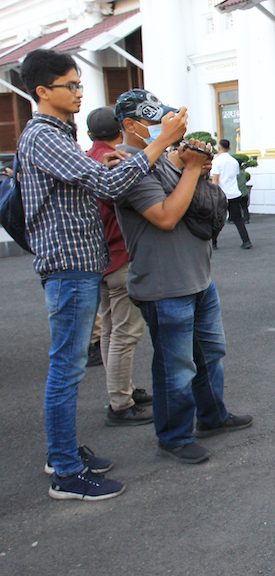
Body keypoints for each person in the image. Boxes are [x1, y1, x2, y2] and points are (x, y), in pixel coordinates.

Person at [18, 50, 186, 501]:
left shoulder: (56, 134)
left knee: (69, 366)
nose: (78, 93)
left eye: (78, 85)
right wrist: (158, 142)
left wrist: (106, 165)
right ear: (42, 92)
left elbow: (92, 179)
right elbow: (109, 188)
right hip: (69, 266)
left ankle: (63, 453)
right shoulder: (44, 136)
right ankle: (67, 474)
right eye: (70, 86)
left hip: (78, 264)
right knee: (67, 370)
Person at [114, 88, 253, 465]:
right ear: (130, 125)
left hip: (197, 279)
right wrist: (191, 167)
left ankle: (212, 416)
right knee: (175, 366)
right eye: (157, 120)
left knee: (210, 354)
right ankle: (173, 436)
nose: (168, 125)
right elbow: (166, 215)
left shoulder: (161, 159)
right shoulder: (128, 164)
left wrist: (188, 162)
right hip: (164, 285)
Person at [83, 107, 152, 426]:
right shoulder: (116, 160)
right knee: (127, 331)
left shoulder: (87, 158)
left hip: (98, 258)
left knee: (110, 329)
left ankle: (120, 390)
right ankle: (121, 402)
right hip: (121, 253)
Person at [210, 138, 252, 250]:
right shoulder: (234, 162)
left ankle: (213, 243)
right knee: (238, 219)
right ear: (229, 148)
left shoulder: (216, 162)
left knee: (217, 220)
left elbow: (215, 179)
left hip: (222, 195)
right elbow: (235, 177)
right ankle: (246, 241)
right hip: (234, 193)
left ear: (219, 148)